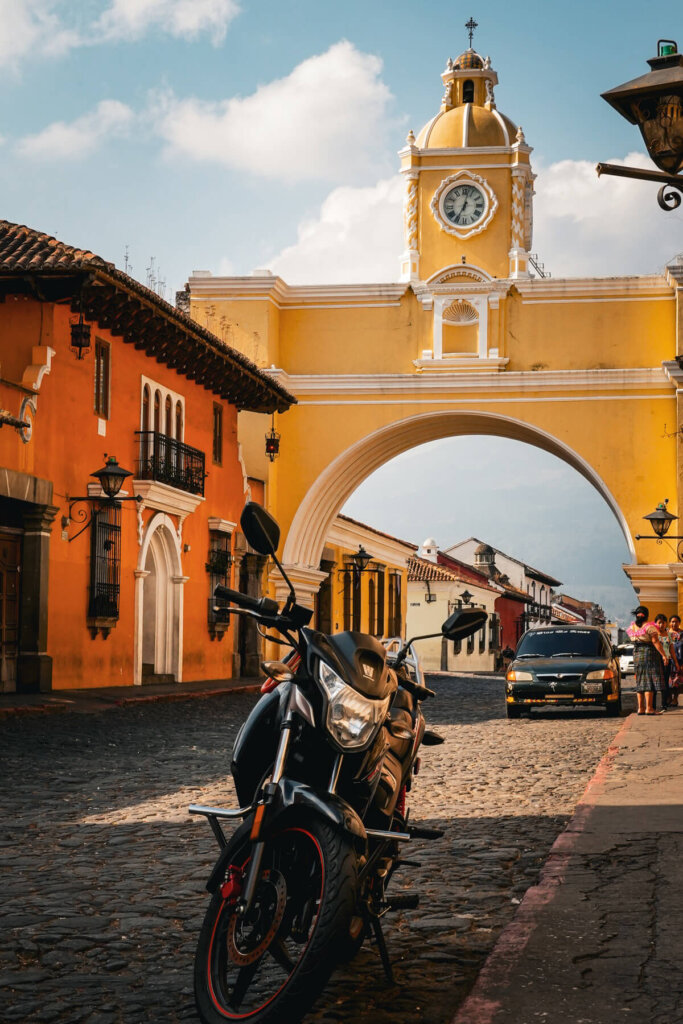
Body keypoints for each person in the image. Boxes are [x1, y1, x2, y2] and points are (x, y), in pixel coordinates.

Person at [627, 606, 668, 715]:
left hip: (636, 653)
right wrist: (663, 655)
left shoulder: (632, 627)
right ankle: (649, 708)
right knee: (649, 680)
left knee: (640, 680)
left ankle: (641, 708)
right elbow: (655, 642)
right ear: (647, 615)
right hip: (649, 654)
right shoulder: (650, 627)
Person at [654, 614, 678, 709]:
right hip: (656, 661)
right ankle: (653, 705)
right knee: (655, 683)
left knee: (665, 683)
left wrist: (675, 662)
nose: (661, 625)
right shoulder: (654, 634)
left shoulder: (668, 634)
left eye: (663, 623)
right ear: (656, 623)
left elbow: (671, 648)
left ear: (666, 624)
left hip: (667, 661)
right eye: (659, 623)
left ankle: (664, 703)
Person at [669, 614, 683, 707]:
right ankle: (669, 698)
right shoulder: (666, 633)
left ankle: (675, 699)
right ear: (670, 623)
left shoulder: (682, 634)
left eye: (676, 621)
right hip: (669, 661)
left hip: (680, 660)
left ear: (679, 623)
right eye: (672, 621)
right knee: (668, 680)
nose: (674, 623)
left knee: (677, 681)